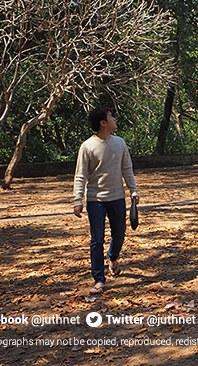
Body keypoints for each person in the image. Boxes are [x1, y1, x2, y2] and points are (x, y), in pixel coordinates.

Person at [73, 106, 140, 294]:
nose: (114, 119)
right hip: (96, 200)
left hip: (117, 198)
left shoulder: (120, 143)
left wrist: (133, 191)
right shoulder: (87, 147)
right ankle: (99, 279)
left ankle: (113, 258)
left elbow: (127, 169)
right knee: (97, 240)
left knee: (119, 235)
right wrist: (77, 200)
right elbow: (80, 176)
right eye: (111, 116)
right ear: (103, 123)